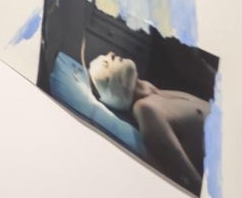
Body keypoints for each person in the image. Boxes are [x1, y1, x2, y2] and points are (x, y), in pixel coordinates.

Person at [88, 51, 210, 193]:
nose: (111, 53)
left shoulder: (155, 93)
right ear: (113, 87)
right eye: (106, 63)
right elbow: (190, 180)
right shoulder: (145, 109)